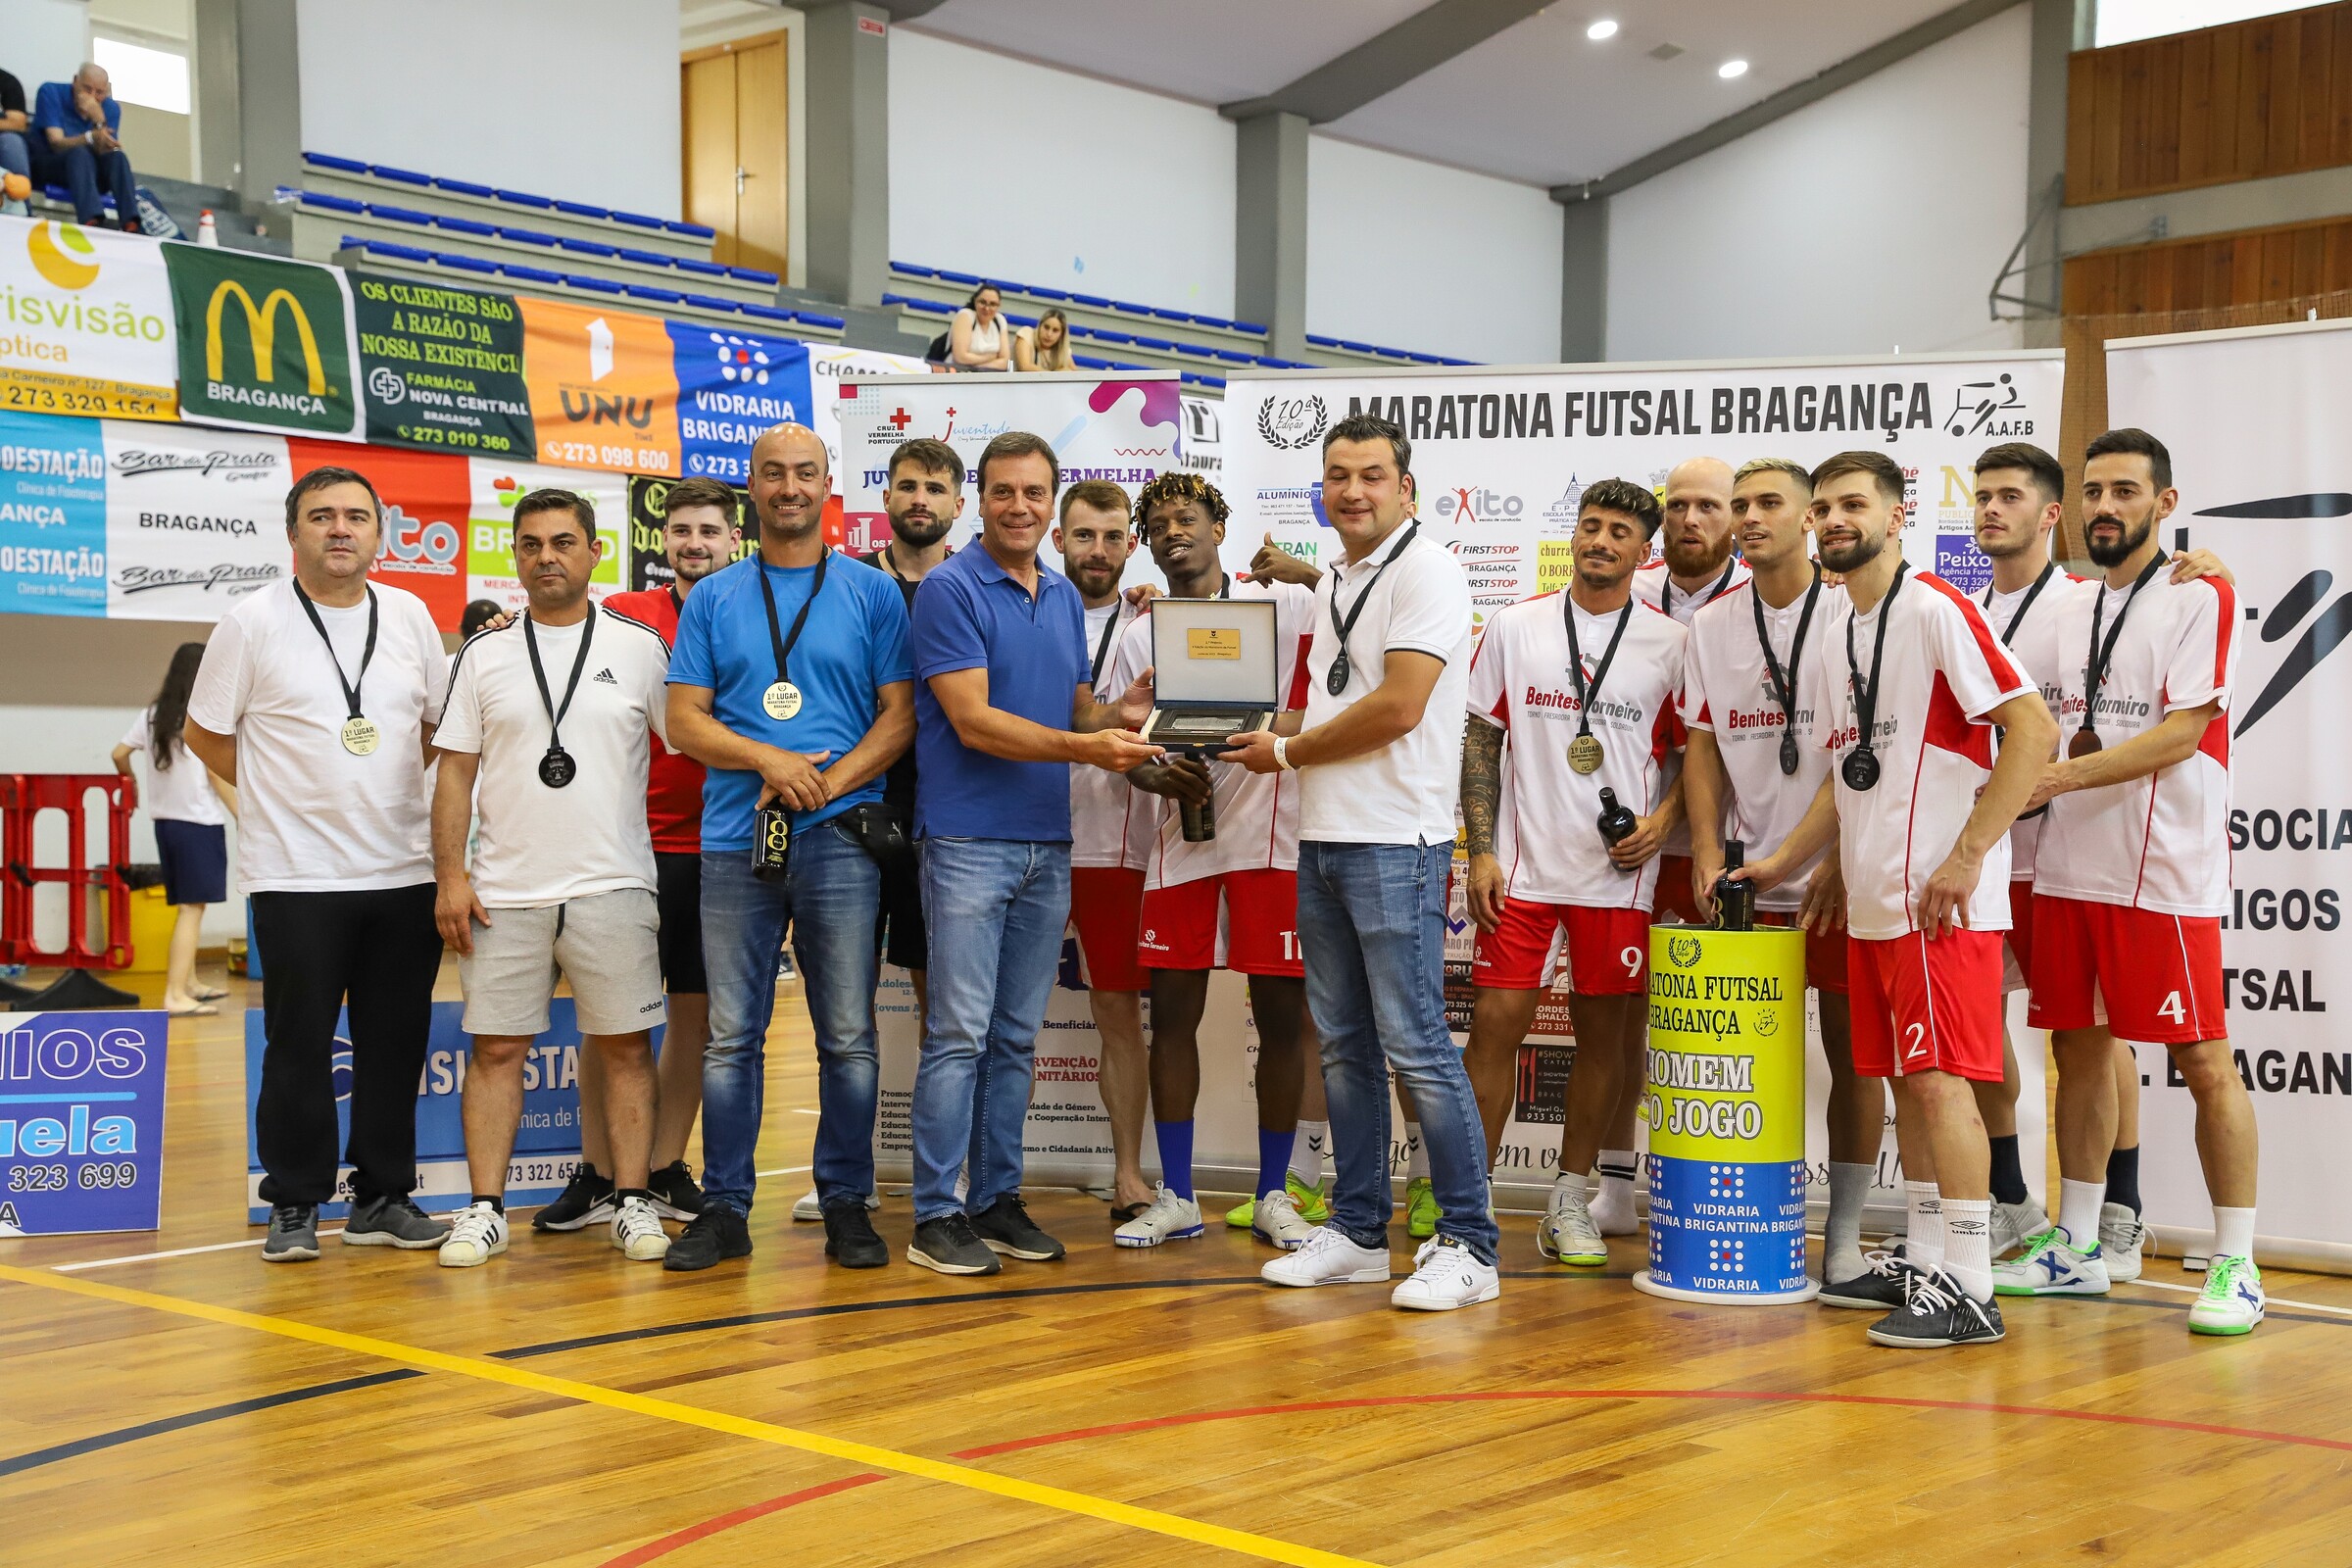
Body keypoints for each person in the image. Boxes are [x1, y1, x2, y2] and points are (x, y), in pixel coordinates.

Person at [1736, 450, 2054, 1348]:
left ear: (1896, 515)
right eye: (1825, 507)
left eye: (1854, 506)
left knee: (1940, 1088)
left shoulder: (1935, 609)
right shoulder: (1838, 624)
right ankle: (1929, 1264)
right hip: (1877, 906)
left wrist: (1968, 854)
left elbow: (2034, 729)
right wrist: (1783, 862)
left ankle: (1971, 1288)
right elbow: (1847, 777)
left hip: (1936, 907)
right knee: (1913, 1092)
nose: (1834, 521)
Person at [1224, 414, 1501, 1312]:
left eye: (1371, 476)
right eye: (1337, 476)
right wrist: (1265, 733)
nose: (1352, 491)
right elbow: (1336, 703)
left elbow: (1399, 708)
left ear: (1405, 486)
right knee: (1343, 1049)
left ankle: (1471, 1245)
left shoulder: (1428, 569)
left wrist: (1287, 755)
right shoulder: (1344, 574)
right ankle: (1354, 1231)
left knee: (1416, 1046)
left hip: (1398, 844)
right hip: (1327, 836)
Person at [2003, 428, 2265, 1337]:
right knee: (2078, 1049)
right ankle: (2075, 1244)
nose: (2105, 507)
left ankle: (2236, 1259)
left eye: (2126, 491)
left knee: (2201, 1060)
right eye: (2093, 492)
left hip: (2163, 870)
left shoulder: (2202, 594)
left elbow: (2184, 732)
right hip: (2073, 865)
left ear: (2165, 503)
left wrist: (2062, 778)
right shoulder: (2069, 604)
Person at [904, 430, 1159, 1276]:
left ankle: (994, 1197)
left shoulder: (1055, 594)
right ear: (980, 500)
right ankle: (936, 1211)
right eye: (1004, 492)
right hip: (970, 842)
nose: (1020, 507)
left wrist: (1117, 714)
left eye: (1034, 494)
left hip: (1047, 843)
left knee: (1014, 1036)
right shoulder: (948, 589)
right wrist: (1086, 750)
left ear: (1052, 506)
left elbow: (1073, 706)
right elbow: (973, 721)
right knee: (958, 1035)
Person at [184, 466, 452, 1263]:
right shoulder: (252, 620)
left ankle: (382, 1197)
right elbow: (204, 734)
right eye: (322, 516)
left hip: (403, 871)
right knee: (298, 1046)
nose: (341, 529)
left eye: (356, 516)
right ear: (294, 531)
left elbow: (438, 724)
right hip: (296, 875)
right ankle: (295, 1202)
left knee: (395, 1043)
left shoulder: (407, 614)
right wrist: (284, 794)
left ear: (380, 532)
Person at [663, 425, 913, 1272]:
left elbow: (902, 715)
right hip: (737, 840)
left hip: (842, 840)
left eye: (805, 473)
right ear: (753, 487)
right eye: (773, 474)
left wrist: (827, 782)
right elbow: (684, 720)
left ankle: (846, 1200)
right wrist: (768, 758)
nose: (790, 488)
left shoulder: (874, 594)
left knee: (846, 1034)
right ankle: (726, 1206)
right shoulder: (713, 597)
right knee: (732, 1035)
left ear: (827, 485)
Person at [429, 490, 676, 1268]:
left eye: (563, 542)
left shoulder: (640, 647)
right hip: (504, 892)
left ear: (595, 551)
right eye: (530, 544)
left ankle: (632, 1202)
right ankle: (484, 1208)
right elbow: (453, 775)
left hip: (613, 883)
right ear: (517, 556)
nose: (546, 557)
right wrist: (450, 878)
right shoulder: (483, 652)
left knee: (627, 1048)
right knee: (497, 1051)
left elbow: (690, 742)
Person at [1459, 478, 1687, 1268]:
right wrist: (1481, 848)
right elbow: (1480, 738)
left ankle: (1569, 1200)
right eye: (1590, 526)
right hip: (1521, 869)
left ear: (1642, 551)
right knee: (1493, 1027)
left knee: (1604, 1041)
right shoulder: (1516, 625)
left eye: (1619, 531)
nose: (1600, 541)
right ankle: (1468, 1203)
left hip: (1618, 876)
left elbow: (1696, 754)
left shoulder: (1670, 643)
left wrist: (1664, 822)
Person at [1679, 459, 1885, 1292]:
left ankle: (1842, 1240)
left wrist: (1833, 856)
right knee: (1747, 1064)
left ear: (1810, 519)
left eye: (1770, 503)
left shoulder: (1857, 610)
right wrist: (1701, 850)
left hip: (1841, 874)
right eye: (1741, 506)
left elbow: (1867, 753)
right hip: (1748, 879)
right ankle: (1745, 1222)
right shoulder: (1711, 625)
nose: (1749, 517)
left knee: (1852, 1057)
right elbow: (1700, 745)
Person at [1106, 472, 1325, 1250]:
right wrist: (1148, 772)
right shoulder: (1141, 629)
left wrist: (1306, 568)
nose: (1174, 531)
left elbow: (1364, 616)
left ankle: (1275, 1193)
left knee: (1281, 1022)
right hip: (1181, 840)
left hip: (1272, 838)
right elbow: (1120, 744)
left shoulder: (1289, 605)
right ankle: (1178, 1194)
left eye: (1188, 517)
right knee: (1171, 1020)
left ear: (1218, 527)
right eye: (1159, 521)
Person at [532, 477, 740, 1236]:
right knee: (610, 1023)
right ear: (663, 542)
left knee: (696, 1016)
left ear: (732, 541)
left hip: (715, 846)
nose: (694, 543)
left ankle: (660, 1166)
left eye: (709, 531)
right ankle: (597, 1171)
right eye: (681, 531)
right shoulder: (620, 614)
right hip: (619, 847)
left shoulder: (751, 614)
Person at [794, 437, 958, 1228]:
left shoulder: (971, 584)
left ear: (956, 503)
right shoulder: (846, 584)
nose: (919, 498)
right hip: (849, 819)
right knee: (843, 1013)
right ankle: (841, 1177)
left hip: (946, 824)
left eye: (934, 486)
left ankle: (942, 1179)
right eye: (906, 485)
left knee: (941, 1011)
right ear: (882, 498)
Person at [1592, 456, 1750, 1234]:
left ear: (1737, 516)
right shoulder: (1631, 584)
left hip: (1735, 839)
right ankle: (1618, 1185)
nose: (1692, 519)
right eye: (1678, 505)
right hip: (1640, 842)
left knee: (1723, 1021)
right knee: (1623, 1015)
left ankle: (1717, 1186)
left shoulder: (1773, 594)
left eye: (1709, 506)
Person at [1053, 479, 1156, 1224]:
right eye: (1084, 535)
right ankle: (971, 1173)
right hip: (1016, 835)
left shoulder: (1153, 620)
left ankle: (1128, 1172)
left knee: (1117, 1013)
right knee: (992, 1016)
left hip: (1113, 846)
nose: (1099, 550)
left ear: (1131, 542)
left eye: (1113, 536)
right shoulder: (1020, 607)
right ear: (1058, 539)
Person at [112, 643, 237, 1018]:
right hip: (198, 822)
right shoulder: (199, 715)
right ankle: (174, 995)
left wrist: (130, 782)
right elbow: (215, 774)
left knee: (187, 905)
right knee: (192, 908)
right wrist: (243, 813)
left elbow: (119, 753)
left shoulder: (154, 715)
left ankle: (191, 983)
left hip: (166, 823)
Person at [31, 64, 138, 231]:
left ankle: (131, 222)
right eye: (87, 89)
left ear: (106, 92)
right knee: (80, 153)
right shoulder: (51, 91)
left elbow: (105, 151)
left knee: (118, 157)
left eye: (99, 93)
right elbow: (56, 143)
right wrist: (90, 137)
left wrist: (99, 121)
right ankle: (92, 219)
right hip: (50, 165)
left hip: (88, 173)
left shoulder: (110, 108)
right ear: (75, 81)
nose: (92, 98)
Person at [949, 283, 1012, 373]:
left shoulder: (1000, 320)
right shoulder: (965, 316)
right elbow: (960, 357)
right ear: (975, 301)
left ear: (999, 306)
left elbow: (1006, 361)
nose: (986, 308)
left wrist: (977, 369)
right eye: (982, 302)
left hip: (987, 376)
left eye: (993, 304)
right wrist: (990, 357)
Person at [0, 69, 30, 219]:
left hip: (3, 142)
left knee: (12, 142)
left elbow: (18, 123)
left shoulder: (7, 82)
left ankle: (22, 219)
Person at [1013, 308, 1075, 373]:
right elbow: (1024, 367)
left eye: (1055, 330)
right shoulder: (1026, 334)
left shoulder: (1063, 351)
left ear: (1062, 335)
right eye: (1046, 327)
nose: (1049, 334)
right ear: (1040, 326)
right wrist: (1055, 375)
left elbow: (1075, 375)